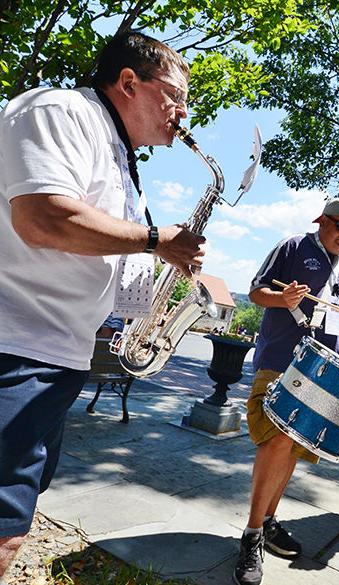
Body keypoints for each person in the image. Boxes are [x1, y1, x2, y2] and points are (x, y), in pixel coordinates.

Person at [0, 31, 205, 578]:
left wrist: (162, 280)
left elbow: (99, 252)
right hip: (14, 348)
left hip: (58, 357)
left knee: (14, 521)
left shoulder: (120, 157)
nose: (183, 113)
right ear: (130, 82)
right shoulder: (59, 110)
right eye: (175, 95)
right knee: (3, 529)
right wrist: (156, 239)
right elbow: (43, 217)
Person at [234, 198, 339, 585]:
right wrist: (283, 299)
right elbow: (257, 290)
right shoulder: (293, 247)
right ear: (322, 221)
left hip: (326, 373)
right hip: (284, 361)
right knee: (276, 441)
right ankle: (252, 534)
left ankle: (269, 522)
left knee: (292, 449)